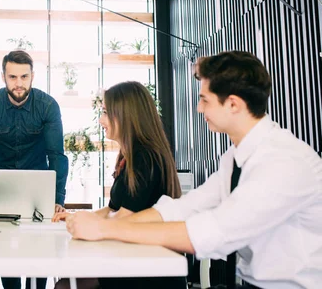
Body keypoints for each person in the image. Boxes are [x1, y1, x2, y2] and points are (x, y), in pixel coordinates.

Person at [65, 51, 322, 289]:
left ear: (233, 104)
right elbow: (180, 208)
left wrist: (106, 229)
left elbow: (214, 233)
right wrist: (106, 225)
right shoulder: (235, 158)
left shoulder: (282, 162)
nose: (199, 109)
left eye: (204, 100)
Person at [52, 81, 185, 289]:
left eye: (105, 112)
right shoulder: (130, 156)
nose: (101, 120)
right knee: (67, 282)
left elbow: (125, 217)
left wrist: (88, 225)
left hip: (149, 271)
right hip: (133, 257)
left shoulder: (146, 158)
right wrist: (75, 218)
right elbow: (114, 209)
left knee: (66, 285)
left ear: (126, 115)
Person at [0, 50, 68, 289]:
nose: (19, 83)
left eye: (24, 76)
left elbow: (57, 155)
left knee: (41, 247)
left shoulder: (48, 106)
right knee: (4, 246)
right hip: (0, 181)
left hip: (37, 181)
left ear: (33, 76)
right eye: (13, 77)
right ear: (3, 77)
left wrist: (57, 199)